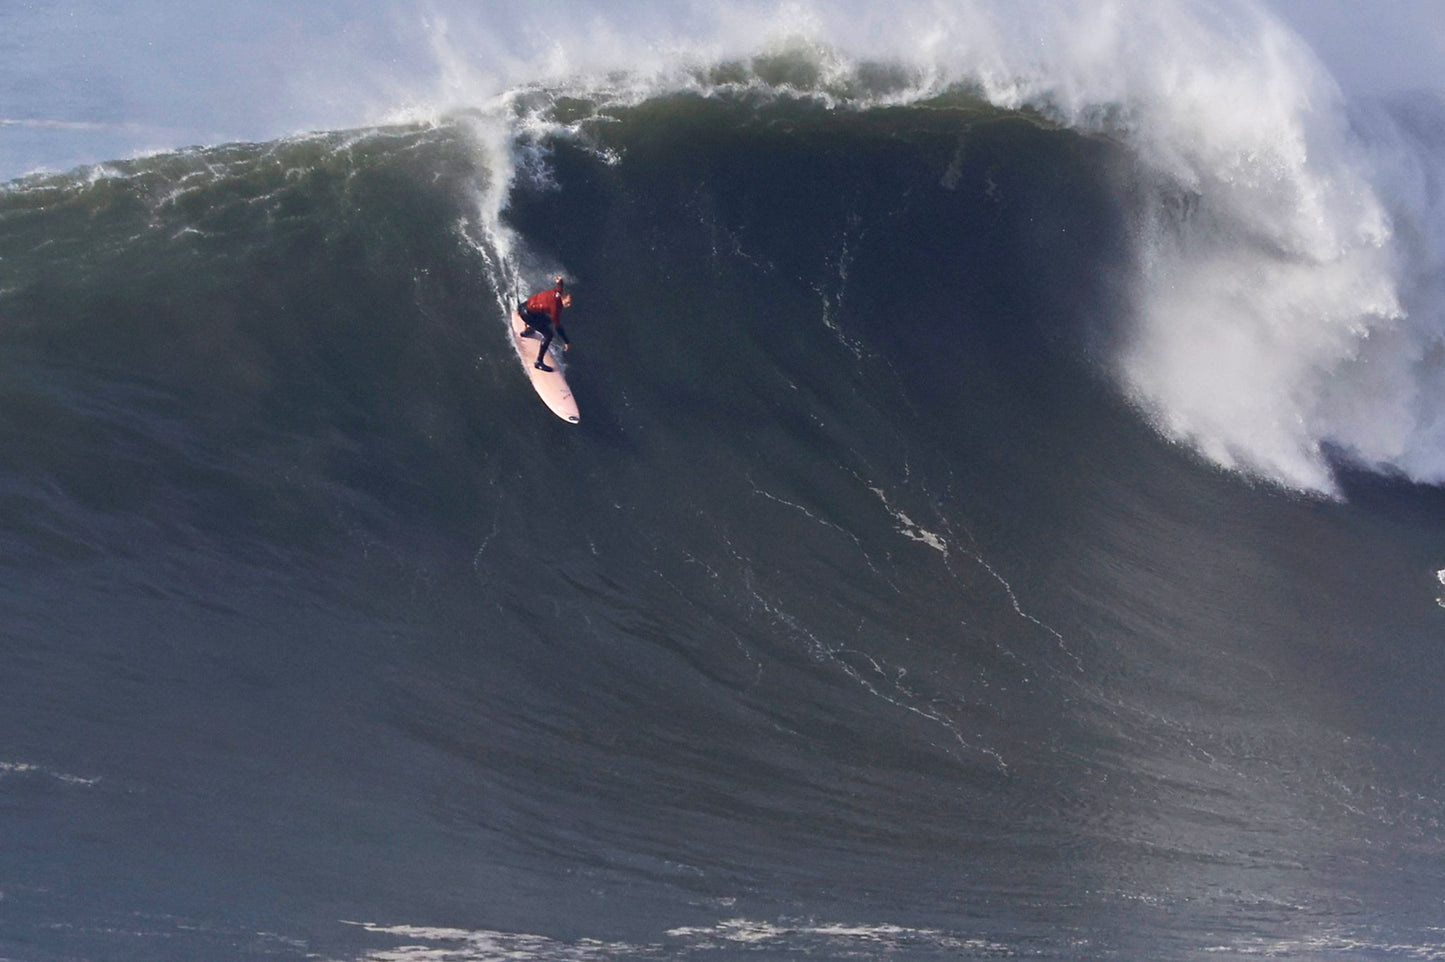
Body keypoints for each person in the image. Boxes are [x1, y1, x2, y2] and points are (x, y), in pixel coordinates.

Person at [518, 276, 573, 372]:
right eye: (567, 303)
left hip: (523, 306)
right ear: (562, 298)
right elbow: (558, 327)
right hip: (527, 314)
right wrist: (567, 342)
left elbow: (560, 284)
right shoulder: (555, 307)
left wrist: (560, 280)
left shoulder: (557, 291)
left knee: (547, 320)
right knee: (549, 335)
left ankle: (528, 330)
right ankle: (539, 362)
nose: (568, 305)